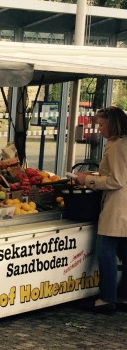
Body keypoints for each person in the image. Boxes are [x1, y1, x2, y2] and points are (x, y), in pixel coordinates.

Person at [73, 105, 127, 314]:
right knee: (124, 252)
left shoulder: (117, 146)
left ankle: (107, 298)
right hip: (122, 207)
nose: (100, 129)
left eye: (102, 125)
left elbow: (116, 181)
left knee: (106, 250)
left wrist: (87, 180)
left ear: (112, 125)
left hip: (117, 207)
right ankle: (122, 296)